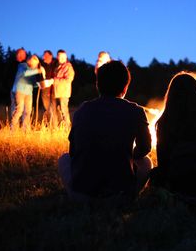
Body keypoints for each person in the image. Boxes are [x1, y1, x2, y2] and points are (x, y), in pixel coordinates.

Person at [58, 60, 152, 201]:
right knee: (146, 162)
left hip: (83, 194)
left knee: (64, 159)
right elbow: (145, 148)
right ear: (125, 87)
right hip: (121, 192)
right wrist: (129, 157)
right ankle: (130, 194)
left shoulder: (82, 110)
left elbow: (73, 151)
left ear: (98, 85)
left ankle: (78, 194)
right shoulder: (136, 111)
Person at [11, 55, 45, 130]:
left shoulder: (33, 71)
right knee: (19, 110)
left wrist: (40, 85)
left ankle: (26, 130)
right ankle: (13, 129)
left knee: (28, 112)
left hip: (29, 93)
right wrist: (38, 70)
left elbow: (32, 83)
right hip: (19, 91)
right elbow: (25, 73)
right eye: (35, 63)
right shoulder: (22, 66)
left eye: (36, 64)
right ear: (29, 61)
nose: (35, 66)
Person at [52, 50, 75, 127]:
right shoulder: (57, 66)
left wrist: (54, 80)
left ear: (66, 57)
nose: (61, 58)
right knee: (57, 111)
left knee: (63, 110)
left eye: (63, 57)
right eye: (59, 56)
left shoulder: (68, 67)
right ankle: (60, 128)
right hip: (56, 92)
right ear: (57, 57)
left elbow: (69, 79)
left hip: (64, 92)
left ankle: (67, 128)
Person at [40, 50, 57, 126]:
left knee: (53, 108)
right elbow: (39, 77)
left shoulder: (55, 64)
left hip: (53, 89)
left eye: (46, 55)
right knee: (46, 108)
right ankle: (47, 125)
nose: (44, 57)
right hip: (44, 89)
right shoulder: (42, 65)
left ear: (50, 56)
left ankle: (54, 125)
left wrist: (52, 80)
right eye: (44, 55)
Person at [10, 48, 27, 118]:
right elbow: (8, 77)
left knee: (25, 109)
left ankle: (24, 127)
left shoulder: (26, 64)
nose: (25, 55)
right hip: (15, 89)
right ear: (18, 55)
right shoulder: (13, 65)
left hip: (25, 89)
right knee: (16, 108)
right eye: (23, 54)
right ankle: (14, 126)